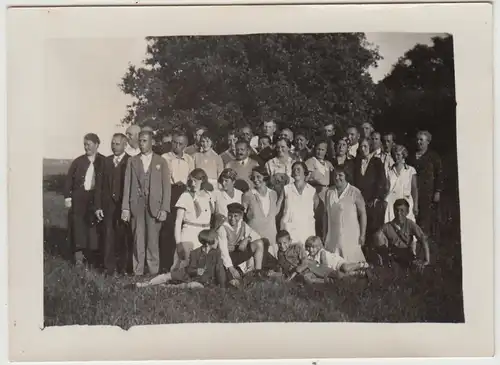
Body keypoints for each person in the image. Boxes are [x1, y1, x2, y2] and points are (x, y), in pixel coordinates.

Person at [121, 131, 171, 276]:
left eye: (144, 141)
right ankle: (138, 271)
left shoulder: (161, 161)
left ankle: (153, 271)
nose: (141, 144)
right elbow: (127, 184)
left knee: (153, 240)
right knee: (138, 238)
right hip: (136, 204)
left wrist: (164, 208)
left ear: (152, 142)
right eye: (140, 141)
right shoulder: (132, 161)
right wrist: (125, 207)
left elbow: (166, 187)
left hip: (155, 206)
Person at [64, 133, 105, 268]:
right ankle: (79, 259)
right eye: (85, 144)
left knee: (93, 228)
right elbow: (69, 179)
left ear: (97, 145)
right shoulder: (78, 161)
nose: (86, 147)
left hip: (95, 198)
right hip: (79, 198)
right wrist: (68, 197)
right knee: (78, 227)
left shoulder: (103, 161)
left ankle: (93, 257)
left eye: (89, 144)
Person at [135, 229, 226, 289]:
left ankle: (168, 287)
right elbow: (190, 269)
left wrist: (222, 286)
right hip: (187, 274)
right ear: (208, 242)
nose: (218, 241)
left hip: (203, 280)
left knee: (194, 285)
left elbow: (219, 269)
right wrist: (196, 271)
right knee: (167, 276)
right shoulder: (195, 253)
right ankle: (146, 284)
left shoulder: (216, 253)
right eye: (216, 239)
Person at [94, 133, 131, 276]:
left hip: (124, 206)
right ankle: (108, 268)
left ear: (124, 145)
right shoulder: (105, 162)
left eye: (117, 144)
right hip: (107, 206)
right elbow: (98, 186)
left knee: (123, 237)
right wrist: (98, 206)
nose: (114, 146)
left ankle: (123, 268)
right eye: (112, 143)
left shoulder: (131, 161)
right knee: (108, 236)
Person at [160, 131, 194, 271]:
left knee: (181, 228)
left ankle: (181, 264)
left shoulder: (189, 159)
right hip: (169, 192)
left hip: (184, 193)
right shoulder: (164, 158)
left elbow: (192, 177)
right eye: (174, 142)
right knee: (168, 228)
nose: (177, 146)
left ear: (185, 145)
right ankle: (166, 264)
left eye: (180, 144)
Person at [171, 168, 214, 271]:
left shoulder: (209, 196)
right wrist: (178, 243)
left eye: (196, 181)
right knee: (183, 264)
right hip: (189, 232)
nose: (193, 184)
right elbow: (178, 222)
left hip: (204, 234)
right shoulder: (185, 196)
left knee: (202, 266)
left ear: (203, 181)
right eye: (191, 181)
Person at [323, 166, 367, 263]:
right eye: (335, 175)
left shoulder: (354, 192)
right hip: (333, 234)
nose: (337, 178)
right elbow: (326, 214)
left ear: (346, 176)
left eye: (340, 175)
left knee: (351, 262)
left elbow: (363, 214)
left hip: (350, 234)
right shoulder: (329, 192)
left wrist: (362, 235)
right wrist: (324, 233)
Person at [352, 138, 388, 250]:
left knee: (372, 225)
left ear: (370, 147)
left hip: (372, 199)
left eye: (365, 146)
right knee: (359, 224)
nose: (363, 149)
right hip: (359, 199)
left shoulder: (377, 162)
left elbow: (382, 181)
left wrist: (377, 197)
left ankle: (373, 253)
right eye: (361, 147)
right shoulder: (357, 162)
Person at [217, 202, 266, 284]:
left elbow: (256, 236)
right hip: (226, 258)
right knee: (231, 281)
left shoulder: (242, 224)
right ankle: (237, 273)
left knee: (259, 243)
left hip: (237, 254)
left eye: (235, 216)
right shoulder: (223, 228)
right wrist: (231, 268)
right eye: (230, 215)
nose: (232, 218)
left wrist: (246, 239)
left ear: (241, 216)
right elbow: (223, 252)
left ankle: (258, 273)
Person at [374, 199, 430, 271]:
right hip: (392, 255)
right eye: (396, 210)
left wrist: (426, 260)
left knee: (416, 269)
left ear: (407, 212)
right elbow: (377, 237)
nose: (398, 213)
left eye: (402, 210)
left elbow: (423, 239)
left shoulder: (410, 224)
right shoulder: (387, 226)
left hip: (406, 254)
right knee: (378, 235)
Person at [407, 131, 443, 240]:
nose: (419, 142)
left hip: (428, 192)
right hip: (413, 191)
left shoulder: (433, 156)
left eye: (421, 140)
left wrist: (438, 191)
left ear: (428, 142)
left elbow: (439, 174)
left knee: (426, 218)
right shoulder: (411, 157)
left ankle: (425, 244)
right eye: (417, 139)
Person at [242, 166, 279, 257]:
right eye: (253, 177)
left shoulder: (273, 194)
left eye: (258, 177)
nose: (255, 180)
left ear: (265, 177)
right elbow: (243, 217)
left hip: (271, 236)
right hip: (255, 235)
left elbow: (274, 214)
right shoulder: (248, 195)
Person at [279, 161, 319, 245]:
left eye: (298, 169)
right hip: (289, 230)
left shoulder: (312, 190)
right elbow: (277, 207)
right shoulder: (286, 189)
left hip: (306, 230)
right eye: (293, 170)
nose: (295, 171)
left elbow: (317, 209)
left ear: (305, 173)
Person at [303, 236, 369, 282]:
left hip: (336, 262)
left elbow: (324, 266)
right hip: (332, 269)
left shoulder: (321, 253)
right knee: (344, 275)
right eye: (308, 247)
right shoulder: (310, 256)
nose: (311, 250)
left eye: (313, 247)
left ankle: (361, 264)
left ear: (318, 247)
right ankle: (358, 273)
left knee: (345, 268)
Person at [384, 145, 418, 223]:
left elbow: (414, 188)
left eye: (398, 155)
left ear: (403, 155)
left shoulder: (410, 170)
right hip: (392, 203)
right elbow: (387, 189)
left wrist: (415, 205)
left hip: (406, 202)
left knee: (407, 227)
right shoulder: (389, 171)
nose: (396, 157)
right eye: (394, 155)